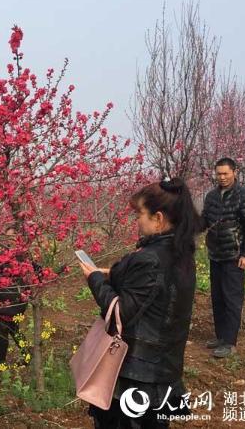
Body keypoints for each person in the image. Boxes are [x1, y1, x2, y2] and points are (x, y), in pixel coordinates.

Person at [79, 178, 202, 428]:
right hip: (163, 367)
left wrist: (94, 279)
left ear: (158, 218)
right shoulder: (180, 253)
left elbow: (120, 314)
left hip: (137, 376)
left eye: (141, 214)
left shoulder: (150, 258)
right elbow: (155, 290)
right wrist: (111, 274)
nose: (137, 221)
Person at [201, 157, 245, 358]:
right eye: (219, 174)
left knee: (232, 299)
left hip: (235, 256)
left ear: (235, 172)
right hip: (215, 254)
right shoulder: (211, 197)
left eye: (226, 173)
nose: (222, 177)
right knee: (217, 297)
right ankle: (220, 337)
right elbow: (204, 221)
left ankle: (230, 342)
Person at [0, 227, 38, 374]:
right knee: (13, 329)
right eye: (8, 236)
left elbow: (36, 271)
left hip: (10, 301)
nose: (10, 240)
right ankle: (27, 355)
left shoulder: (18, 256)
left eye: (13, 236)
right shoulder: (17, 254)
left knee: (3, 330)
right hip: (12, 300)